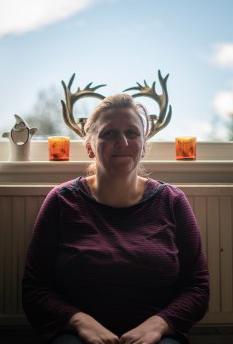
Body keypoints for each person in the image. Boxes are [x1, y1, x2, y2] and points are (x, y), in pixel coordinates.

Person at [22, 93, 209, 344]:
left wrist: (159, 325)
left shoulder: (172, 201)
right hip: (76, 336)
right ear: (89, 147)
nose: (122, 142)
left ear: (144, 146)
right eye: (108, 133)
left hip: (157, 338)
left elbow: (197, 288)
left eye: (132, 133)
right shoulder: (61, 201)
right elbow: (35, 290)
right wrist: (80, 322)